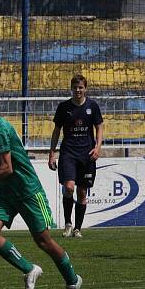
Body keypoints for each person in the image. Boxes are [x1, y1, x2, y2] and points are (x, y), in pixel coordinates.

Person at [0, 86, 82, 289]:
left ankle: (73, 281)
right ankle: (30, 269)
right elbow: (4, 166)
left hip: (27, 190)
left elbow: (7, 168)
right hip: (7, 191)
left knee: (44, 242)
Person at [48, 75, 104, 238]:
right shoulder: (64, 107)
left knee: (82, 192)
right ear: (71, 88)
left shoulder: (92, 106)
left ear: (85, 89)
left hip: (87, 155)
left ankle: (77, 228)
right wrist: (52, 153)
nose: (78, 90)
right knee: (69, 187)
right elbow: (56, 131)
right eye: (75, 87)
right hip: (68, 153)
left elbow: (99, 127)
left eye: (80, 87)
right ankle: (67, 224)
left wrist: (98, 147)